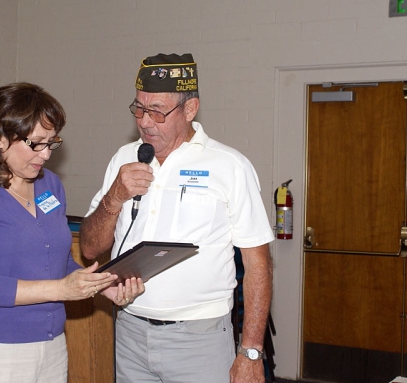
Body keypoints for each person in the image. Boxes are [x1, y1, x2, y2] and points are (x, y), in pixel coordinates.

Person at [79, 54, 274, 383]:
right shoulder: (124, 158)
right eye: (138, 109)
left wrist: (251, 351)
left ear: (190, 109)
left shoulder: (229, 165)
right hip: (129, 333)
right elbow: (88, 248)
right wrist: (114, 197)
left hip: (200, 341)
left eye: (157, 111)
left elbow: (259, 265)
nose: (145, 121)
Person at [0, 82, 144, 383]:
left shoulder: (50, 186)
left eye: (51, 143)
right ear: (0, 139)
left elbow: (57, 262)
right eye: (36, 143)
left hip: (51, 347)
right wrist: (61, 290)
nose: (45, 155)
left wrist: (103, 286)